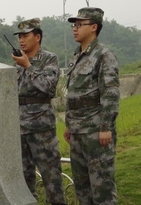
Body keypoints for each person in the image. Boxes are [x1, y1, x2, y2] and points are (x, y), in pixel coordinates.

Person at [64, 7, 119, 205]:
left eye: (80, 24)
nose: (75, 29)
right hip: (78, 132)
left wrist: (105, 127)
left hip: (96, 133)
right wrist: (69, 125)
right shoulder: (76, 56)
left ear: (94, 27)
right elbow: (73, 95)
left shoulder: (104, 55)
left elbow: (110, 94)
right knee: (82, 189)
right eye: (74, 25)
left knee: (101, 187)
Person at [11, 18, 66, 205]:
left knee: (51, 178)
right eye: (19, 37)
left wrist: (28, 66)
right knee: (23, 181)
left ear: (38, 37)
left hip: (41, 128)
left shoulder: (49, 59)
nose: (21, 40)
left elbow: (49, 87)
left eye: (25, 36)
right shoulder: (17, 62)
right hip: (19, 128)